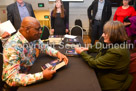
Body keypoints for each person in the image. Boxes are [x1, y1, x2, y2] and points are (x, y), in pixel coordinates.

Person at [2, 17, 68, 87]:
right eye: (37, 29)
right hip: (22, 82)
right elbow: (11, 79)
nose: (40, 32)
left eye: (40, 28)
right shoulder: (12, 46)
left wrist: (57, 53)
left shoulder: (33, 37)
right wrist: (42, 75)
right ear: (27, 29)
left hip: (33, 69)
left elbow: (43, 47)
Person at [75, 21, 132, 91]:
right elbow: (101, 46)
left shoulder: (116, 52)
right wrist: (87, 48)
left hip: (112, 83)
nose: (102, 35)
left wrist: (82, 53)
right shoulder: (116, 42)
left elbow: (95, 63)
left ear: (114, 35)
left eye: (105, 33)